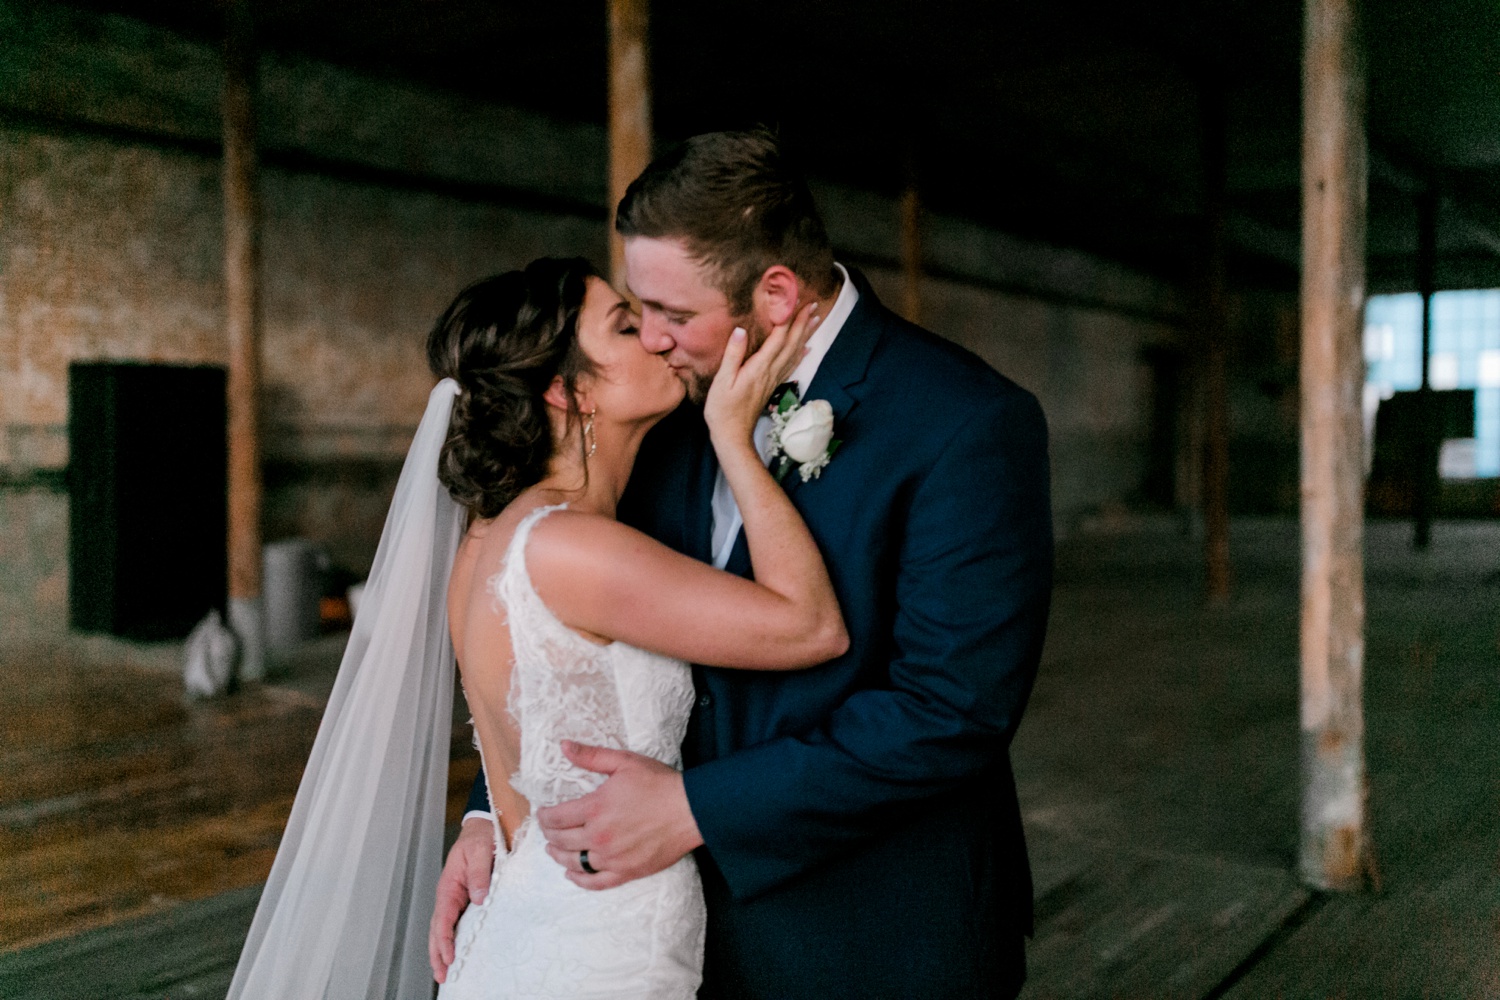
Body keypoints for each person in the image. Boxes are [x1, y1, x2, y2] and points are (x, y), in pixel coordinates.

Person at [434, 130, 1054, 999]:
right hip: (667, 927)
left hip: (876, 933)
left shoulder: (966, 423)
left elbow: (950, 710)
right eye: (635, 310)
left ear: (774, 293)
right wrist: (493, 817)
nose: (651, 340)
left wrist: (696, 809)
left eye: (672, 314)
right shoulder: (657, 411)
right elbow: (565, 646)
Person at [227, 256, 845, 999]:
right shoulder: (568, 547)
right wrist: (734, 441)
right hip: (605, 944)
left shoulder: (491, 537)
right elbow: (809, 626)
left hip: (533, 915)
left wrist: (481, 818)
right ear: (568, 388)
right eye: (624, 325)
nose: (655, 336)